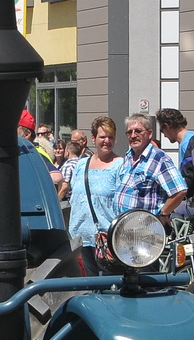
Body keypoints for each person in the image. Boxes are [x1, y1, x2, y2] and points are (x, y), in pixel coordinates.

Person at [61, 116, 125, 275]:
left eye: (111, 137)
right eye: (103, 137)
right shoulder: (82, 164)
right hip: (80, 237)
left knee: (107, 288)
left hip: (105, 238)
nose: (107, 141)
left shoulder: (120, 165)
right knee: (86, 288)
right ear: (93, 138)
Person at [112, 114, 187, 220]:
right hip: (123, 227)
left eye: (138, 131)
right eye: (129, 132)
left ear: (150, 133)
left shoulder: (158, 158)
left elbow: (179, 191)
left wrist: (163, 214)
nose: (133, 136)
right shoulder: (128, 157)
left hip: (145, 230)